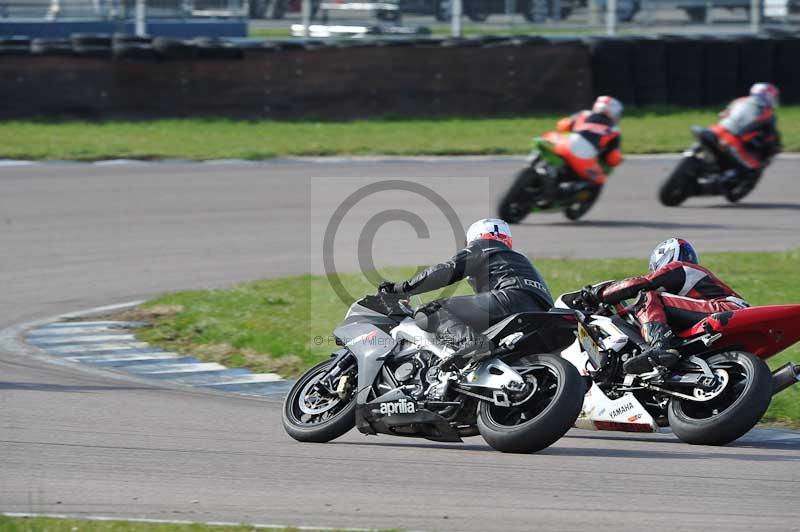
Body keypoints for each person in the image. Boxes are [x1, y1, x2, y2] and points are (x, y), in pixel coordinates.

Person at [379, 218, 553, 370]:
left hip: (510, 299)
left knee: (430, 311)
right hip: (542, 313)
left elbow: (446, 271)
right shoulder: (518, 259)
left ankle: (470, 344)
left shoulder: (484, 246)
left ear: (475, 237)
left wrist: (401, 288)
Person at [586, 238, 749, 375]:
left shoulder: (680, 267)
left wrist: (599, 294)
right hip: (726, 318)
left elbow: (643, 283)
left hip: (727, 310)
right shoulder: (688, 290)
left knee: (648, 295)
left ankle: (660, 348)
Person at [544, 95, 624, 193]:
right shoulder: (614, 130)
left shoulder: (583, 114)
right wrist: (618, 158)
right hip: (583, 157)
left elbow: (562, 125)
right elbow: (612, 158)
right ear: (614, 112)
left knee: (548, 138)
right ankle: (565, 193)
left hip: (563, 144)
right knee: (599, 180)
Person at [711, 82, 781, 176]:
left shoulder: (740, 100)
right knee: (754, 168)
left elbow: (723, 115)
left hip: (717, 129)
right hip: (733, 140)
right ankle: (728, 180)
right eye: (773, 96)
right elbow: (770, 137)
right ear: (767, 96)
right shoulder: (767, 113)